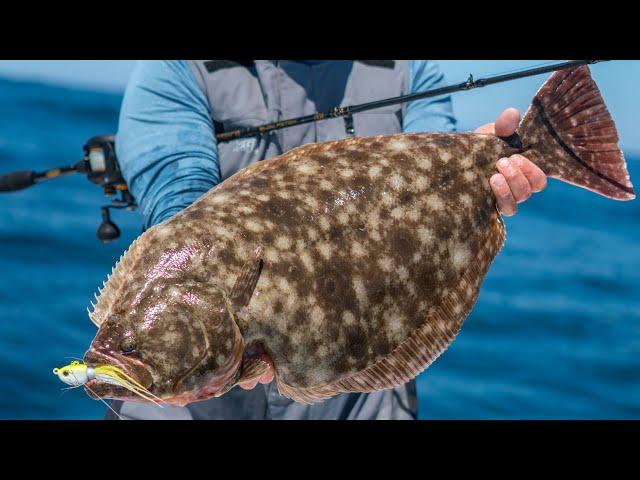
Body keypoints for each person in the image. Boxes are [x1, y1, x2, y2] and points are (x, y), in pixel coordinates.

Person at [110, 60, 547, 420]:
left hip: (357, 388)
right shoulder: (177, 68)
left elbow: (437, 163)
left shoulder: (410, 69)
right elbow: (179, 201)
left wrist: (483, 167)